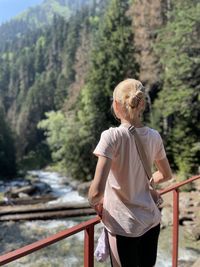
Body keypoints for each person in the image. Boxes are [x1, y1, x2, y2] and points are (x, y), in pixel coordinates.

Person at [88, 78, 172, 267]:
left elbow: (95, 193)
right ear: (141, 104)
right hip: (151, 221)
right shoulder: (154, 136)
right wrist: (148, 184)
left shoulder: (111, 137)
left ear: (116, 106)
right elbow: (166, 175)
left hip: (124, 226)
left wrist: (95, 203)